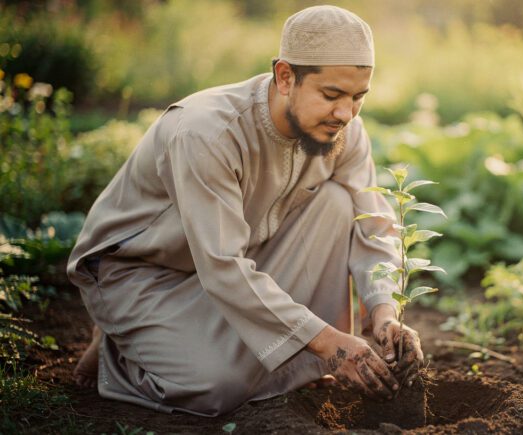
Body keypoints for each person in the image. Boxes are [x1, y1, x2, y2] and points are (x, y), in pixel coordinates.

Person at [67, 5, 423, 416]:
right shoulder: (208, 133)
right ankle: (119, 347)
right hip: (143, 274)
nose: (346, 113)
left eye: (358, 97)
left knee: (340, 204)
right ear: (286, 76)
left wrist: (383, 312)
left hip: (241, 262)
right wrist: (327, 342)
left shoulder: (344, 132)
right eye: (331, 95)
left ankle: (232, 344)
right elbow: (221, 265)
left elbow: (374, 225)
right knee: (217, 387)